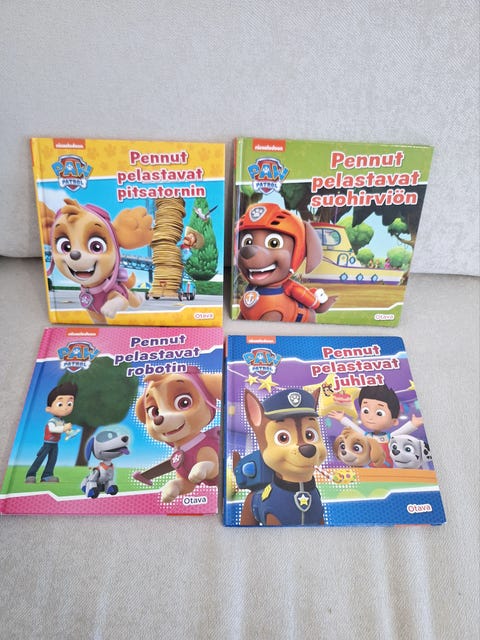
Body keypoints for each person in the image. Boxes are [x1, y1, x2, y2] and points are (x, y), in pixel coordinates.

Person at [25, 382, 78, 483]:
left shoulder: (61, 421)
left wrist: (69, 432)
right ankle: (30, 475)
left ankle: (47, 475)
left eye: (69, 404)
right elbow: (53, 429)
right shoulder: (52, 421)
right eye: (60, 404)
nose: (66, 407)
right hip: (47, 444)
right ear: (48, 409)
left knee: (52, 459)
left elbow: (65, 430)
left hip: (55, 444)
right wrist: (63, 428)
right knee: (40, 458)